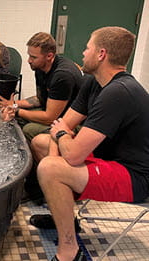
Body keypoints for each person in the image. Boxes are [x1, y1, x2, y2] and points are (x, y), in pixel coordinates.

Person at [30, 26, 149, 261]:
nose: (83, 53)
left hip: (135, 176)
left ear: (101, 54)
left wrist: (61, 138)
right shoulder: (94, 83)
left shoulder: (119, 92)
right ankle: (64, 219)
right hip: (109, 160)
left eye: (88, 47)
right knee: (40, 142)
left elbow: (70, 147)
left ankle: (69, 252)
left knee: (50, 168)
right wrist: (60, 139)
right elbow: (62, 124)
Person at [0, 32, 83, 141]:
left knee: (29, 129)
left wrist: (17, 110)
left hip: (73, 123)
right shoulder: (40, 68)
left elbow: (50, 118)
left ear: (49, 56)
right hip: (55, 114)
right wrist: (14, 104)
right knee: (12, 118)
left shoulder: (62, 76)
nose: (29, 60)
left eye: (33, 57)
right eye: (29, 55)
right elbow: (40, 99)